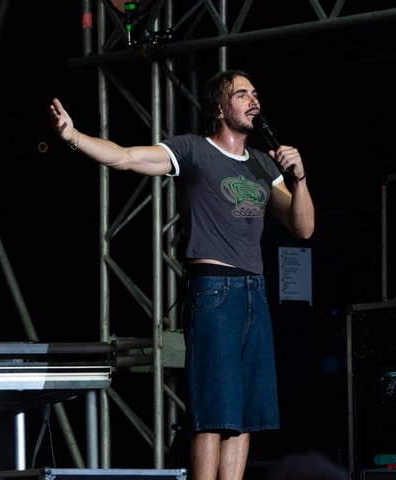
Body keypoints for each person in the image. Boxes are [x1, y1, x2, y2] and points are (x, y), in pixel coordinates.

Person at [49, 69, 315, 480]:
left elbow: (303, 228)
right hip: (215, 290)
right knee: (213, 413)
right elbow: (125, 157)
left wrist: (298, 178)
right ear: (220, 108)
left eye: (255, 93)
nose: (253, 100)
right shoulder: (194, 150)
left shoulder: (264, 165)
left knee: (244, 417)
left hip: (254, 292)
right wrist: (74, 137)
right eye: (241, 94)